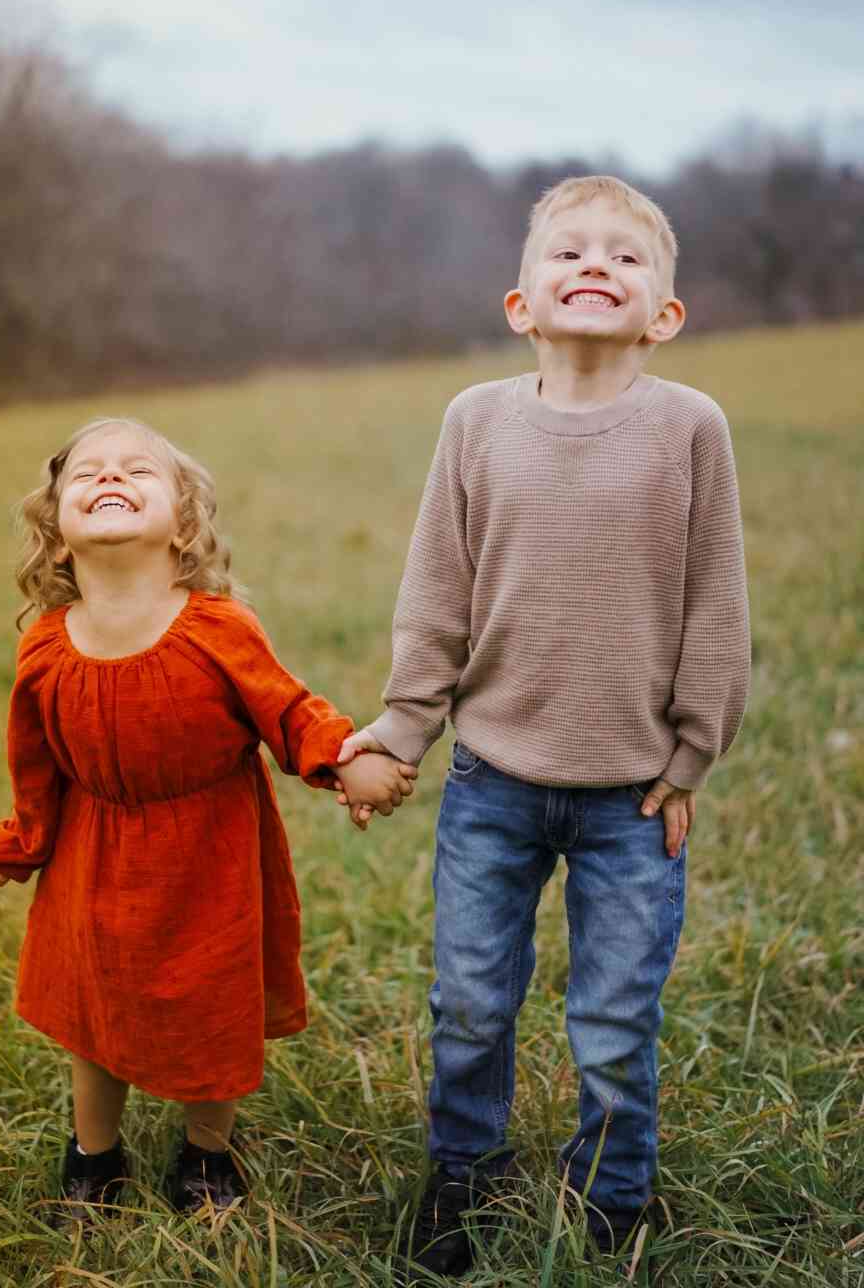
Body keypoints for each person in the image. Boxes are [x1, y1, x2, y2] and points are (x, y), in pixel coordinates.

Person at [337, 175, 750, 1278]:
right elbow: (438, 592)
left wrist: (693, 749)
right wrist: (404, 727)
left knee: (614, 1018)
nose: (595, 264)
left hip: (632, 797)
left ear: (664, 313)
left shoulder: (690, 428)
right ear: (521, 303)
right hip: (493, 781)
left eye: (625, 255)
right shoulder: (476, 421)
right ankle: (461, 1174)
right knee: (471, 1001)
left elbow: (716, 601)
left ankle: (611, 1197)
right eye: (569, 250)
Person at [0, 417, 416, 1223]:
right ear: (59, 537)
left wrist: (344, 758)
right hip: (93, 855)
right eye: (87, 474)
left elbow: (287, 711)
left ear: (182, 526)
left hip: (208, 858)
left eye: (137, 470)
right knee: (93, 1012)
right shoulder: (44, 647)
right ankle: (94, 1156)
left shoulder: (217, 627)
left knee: (211, 1010)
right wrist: (27, 840)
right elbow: (33, 761)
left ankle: (208, 1155)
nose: (109, 477)